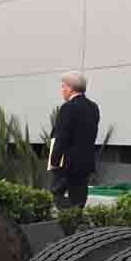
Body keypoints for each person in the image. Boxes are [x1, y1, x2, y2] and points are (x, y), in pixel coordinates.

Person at [48, 71, 100, 209]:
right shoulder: (93, 107)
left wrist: (54, 161)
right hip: (86, 163)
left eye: (63, 87)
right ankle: (76, 223)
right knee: (79, 199)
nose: (62, 91)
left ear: (70, 88)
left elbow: (62, 137)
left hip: (67, 164)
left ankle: (70, 217)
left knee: (56, 194)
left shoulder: (68, 108)